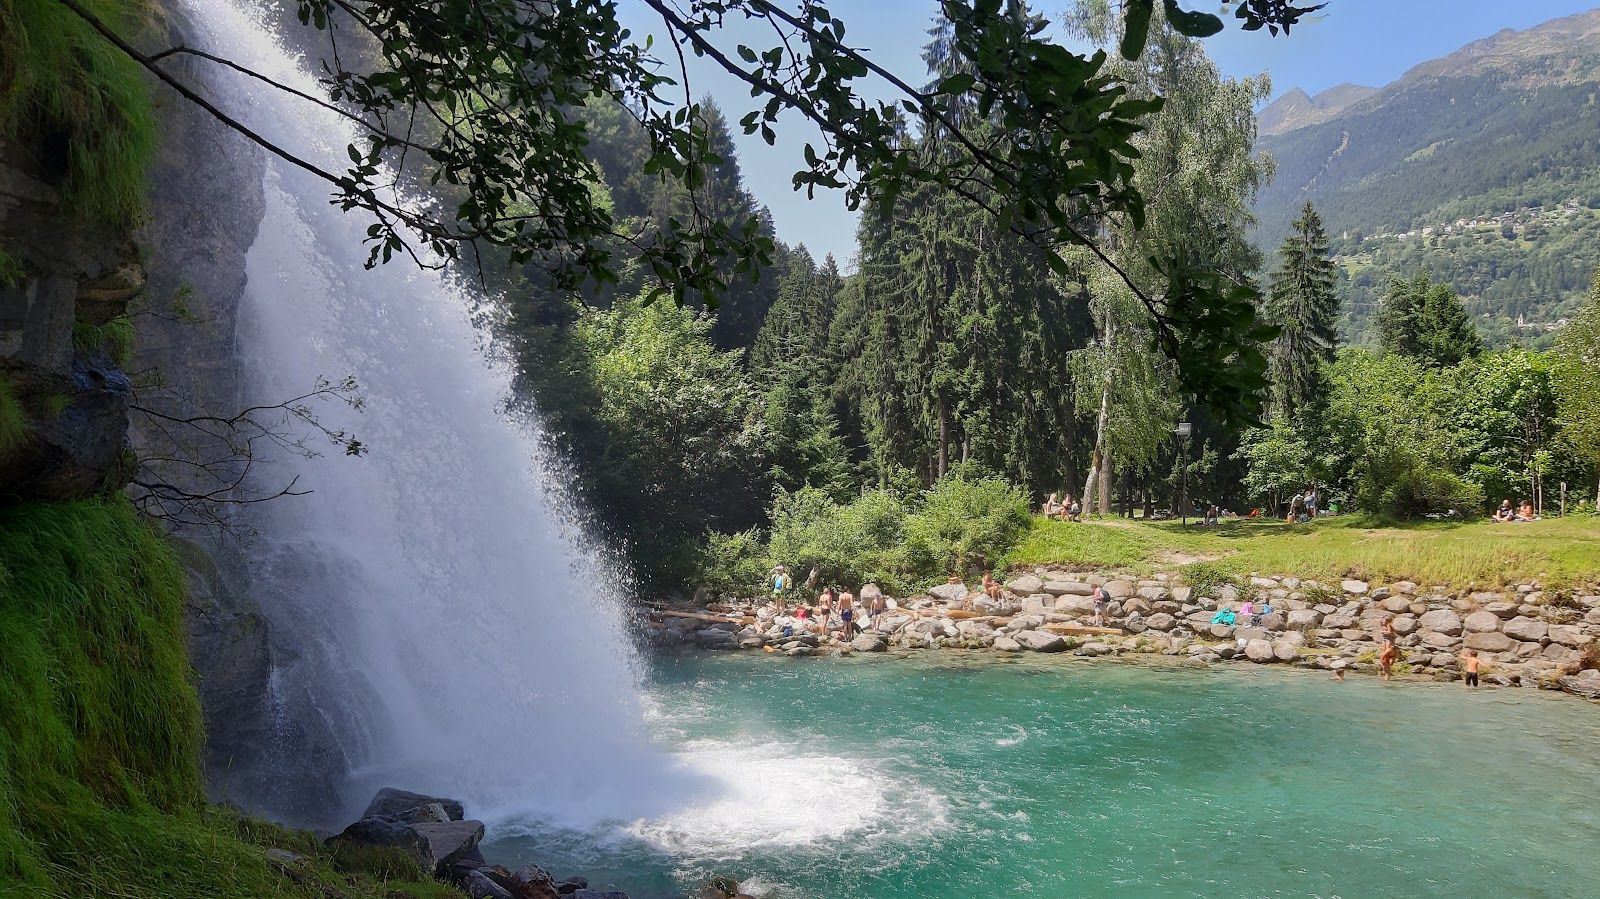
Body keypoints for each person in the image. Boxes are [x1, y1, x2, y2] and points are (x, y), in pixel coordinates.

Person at [1379, 616, 1398, 682]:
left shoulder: (1388, 625)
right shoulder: (1382, 625)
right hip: (1384, 638)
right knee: (1384, 649)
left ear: (1387, 621)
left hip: (1389, 638)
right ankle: (1386, 669)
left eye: (1384, 620)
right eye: (1382, 620)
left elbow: (1389, 632)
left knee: (1387, 649)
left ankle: (1385, 659)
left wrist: (1384, 632)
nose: (1383, 621)